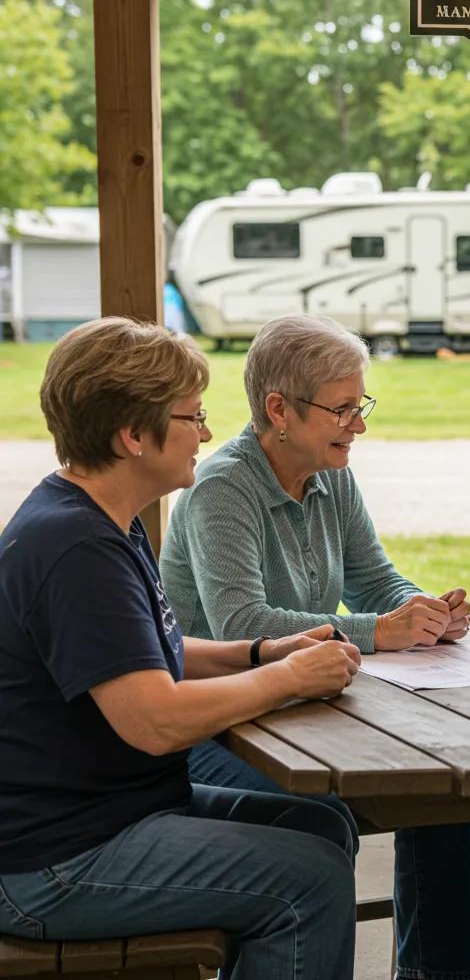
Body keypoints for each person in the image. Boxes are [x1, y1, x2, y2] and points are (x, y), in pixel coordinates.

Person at [0, 317, 362, 980]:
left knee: (320, 827)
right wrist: (288, 680)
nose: (205, 433)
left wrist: (265, 653)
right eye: (191, 417)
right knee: (309, 880)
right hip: (55, 862)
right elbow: (155, 719)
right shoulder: (78, 549)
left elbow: (148, 649)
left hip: (110, 817)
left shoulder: (96, 518)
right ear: (133, 436)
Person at [160, 314, 470, 980]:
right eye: (343, 409)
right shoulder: (221, 490)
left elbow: (373, 583)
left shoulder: (334, 475)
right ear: (279, 409)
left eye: (361, 407)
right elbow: (242, 624)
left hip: (303, 709)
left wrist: (425, 611)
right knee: (316, 814)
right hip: (219, 725)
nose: (358, 425)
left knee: (447, 794)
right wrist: (378, 631)